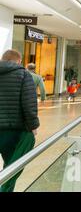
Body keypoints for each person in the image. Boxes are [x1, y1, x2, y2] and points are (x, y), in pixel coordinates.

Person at [0, 49, 40, 192]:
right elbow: (29, 103)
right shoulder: (23, 74)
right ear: (19, 61)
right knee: (11, 165)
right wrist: (33, 125)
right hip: (14, 130)